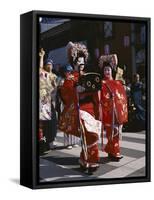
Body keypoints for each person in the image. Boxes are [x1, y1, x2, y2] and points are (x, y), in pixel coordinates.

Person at [59, 42, 101, 173]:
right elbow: (65, 94)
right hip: (80, 108)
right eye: (78, 62)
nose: (81, 65)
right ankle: (90, 160)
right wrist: (76, 90)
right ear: (74, 63)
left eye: (83, 62)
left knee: (91, 133)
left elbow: (96, 92)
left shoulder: (89, 75)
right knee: (88, 134)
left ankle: (86, 159)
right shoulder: (70, 78)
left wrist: (94, 89)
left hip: (90, 108)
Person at [99, 55, 128, 161]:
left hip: (117, 112)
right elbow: (100, 98)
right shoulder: (101, 83)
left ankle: (113, 151)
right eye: (105, 70)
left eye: (108, 69)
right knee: (111, 133)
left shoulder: (117, 82)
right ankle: (113, 152)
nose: (107, 72)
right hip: (107, 112)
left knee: (116, 132)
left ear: (112, 71)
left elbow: (122, 97)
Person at [39, 48, 58, 151]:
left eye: (51, 64)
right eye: (48, 64)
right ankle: (44, 144)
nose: (49, 66)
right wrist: (42, 56)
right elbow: (40, 67)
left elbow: (55, 91)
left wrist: (54, 101)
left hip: (51, 101)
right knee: (45, 125)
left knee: (53, 124)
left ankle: (50, 142)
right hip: (44, 102)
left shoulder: (54, 76)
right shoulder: (42, 75)